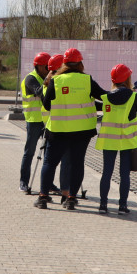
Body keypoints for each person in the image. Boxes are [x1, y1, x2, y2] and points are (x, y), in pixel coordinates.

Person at [34, 48, 106, 210]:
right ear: (80, 64)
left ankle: (43, 197)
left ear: (64, 64)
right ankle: (71, 199)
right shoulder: (87, 80)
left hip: (58, 130)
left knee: (50, 163)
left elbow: (46, 105)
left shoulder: (56, 80)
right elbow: (103, 96)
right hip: (82, 131)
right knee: (77, 163)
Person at [95, 63, 137, 215]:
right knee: (124, 175)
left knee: (106, 173)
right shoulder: (135, 97)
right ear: (127, 79)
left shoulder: (106, 97)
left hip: (108, 140)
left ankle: (103, 205)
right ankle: (122, 206)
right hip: (127, 141)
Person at [19, 52, 52, 192]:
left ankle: (48, 184)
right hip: (34, 121)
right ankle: (23, 182)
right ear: (39, 66)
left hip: (47, 121)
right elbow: (40, 92)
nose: (49, 70)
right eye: (47, 67)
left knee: (48, 155)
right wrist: (50, 82)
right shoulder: (30, 79)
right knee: (30, 152)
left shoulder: (47, 78)